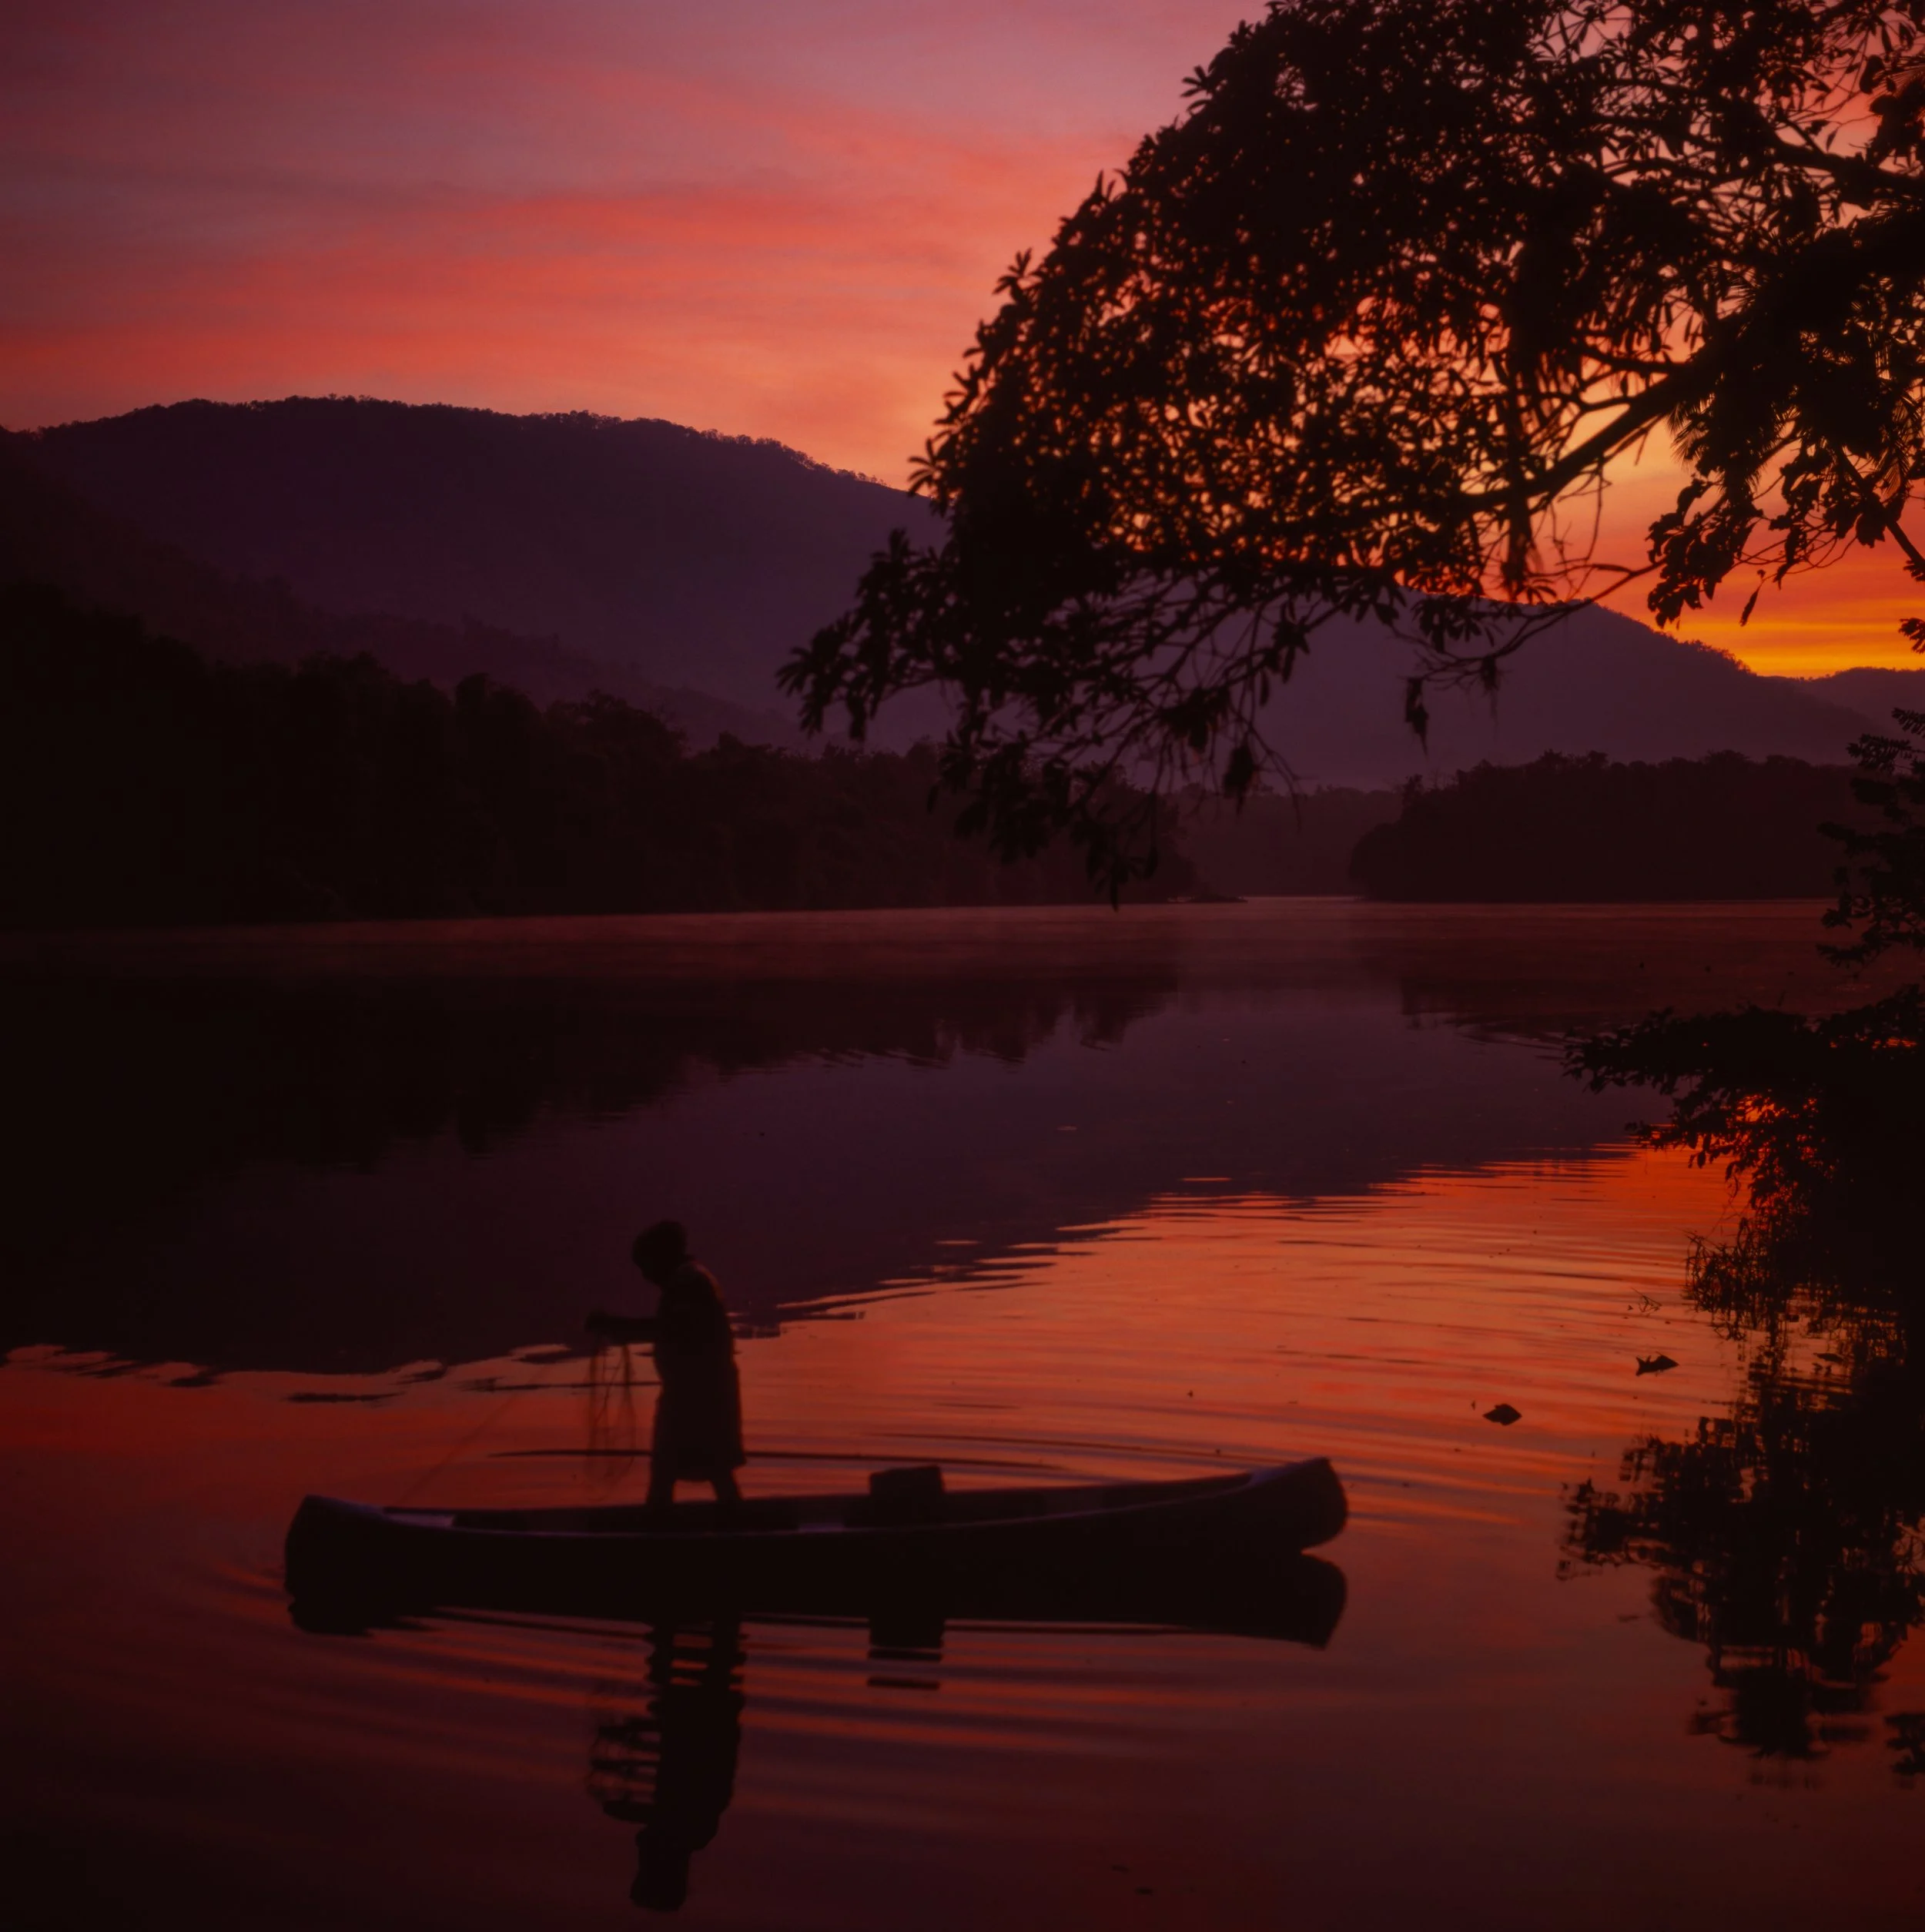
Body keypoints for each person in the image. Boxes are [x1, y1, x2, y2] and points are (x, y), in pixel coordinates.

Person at [588, 1221, 745, 1510]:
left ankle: (659, 1532)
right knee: (704, 1467)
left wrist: (614, 1325)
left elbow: (669, 1328)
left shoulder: (689, 1282)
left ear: (662, 1256)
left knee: (674, 1467)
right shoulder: (688, 1279)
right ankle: (735, 1526)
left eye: (646, 1266)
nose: (646, 1276)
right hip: (698, 1393)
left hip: (700, 1396)